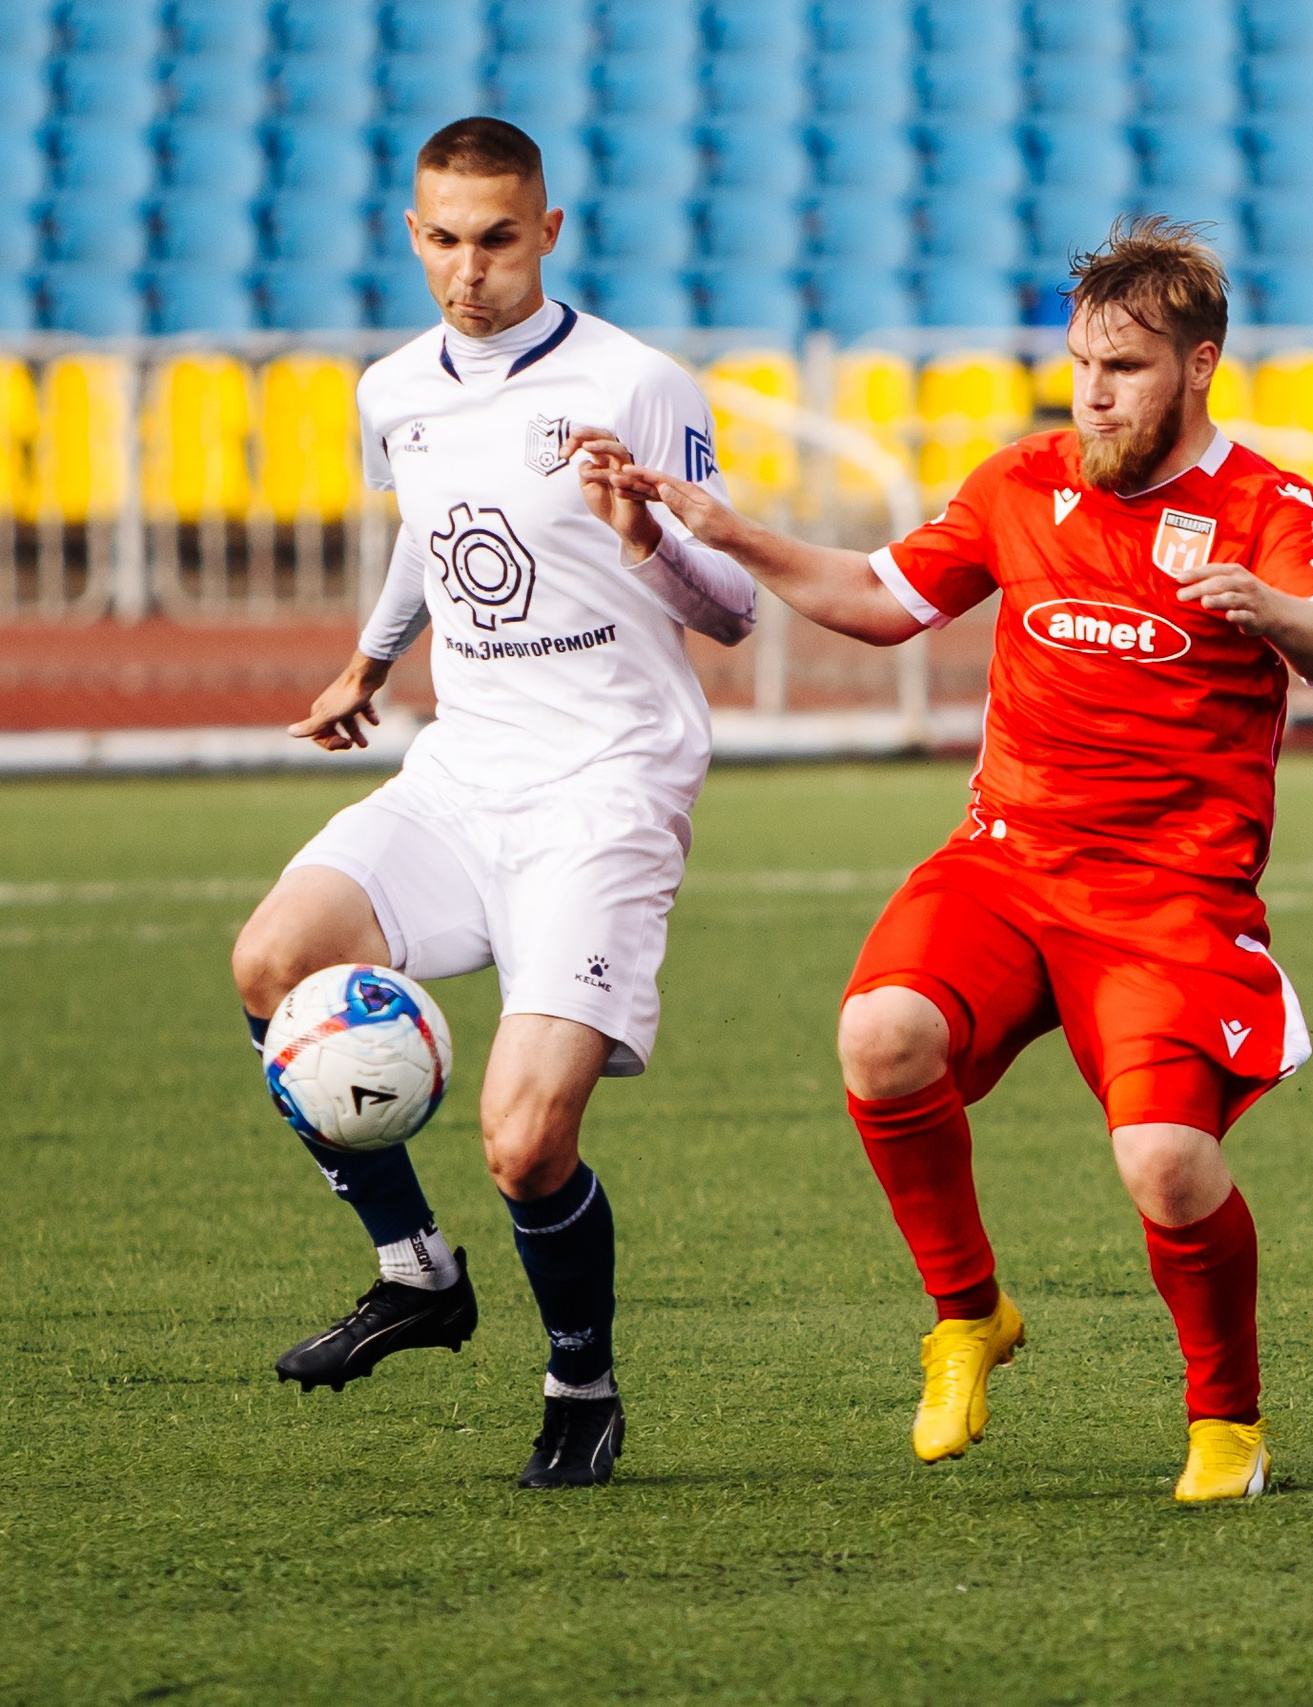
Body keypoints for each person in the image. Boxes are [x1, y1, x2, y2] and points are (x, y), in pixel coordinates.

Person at [579, 216, 1313, 1502]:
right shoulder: (1020, 484)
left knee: (1166, 1167)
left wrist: (1280, 615)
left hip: (1170, 897)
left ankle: (1226, 1425)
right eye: (1081, 364)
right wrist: (727, 533)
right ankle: (969, 1317)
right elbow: (877, 601)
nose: (1095, 392)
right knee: (880, 1036)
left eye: (1127, 368)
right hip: (1007, 862)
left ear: (1201, 366)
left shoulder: (1266, 505)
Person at [229, 117, 759, 1489]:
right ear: (415, 235)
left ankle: (580, 1378)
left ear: (550, 233)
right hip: (464, 772)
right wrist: (370, 655)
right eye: (447, 241)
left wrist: (646, 534)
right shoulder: (393, 387)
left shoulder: (638, 383)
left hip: (606, 786)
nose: (471, 270)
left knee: (526, 1139)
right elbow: (425, 523)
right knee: (272, 961)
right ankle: (415, 1269)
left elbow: (737, 607)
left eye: (500, 239)